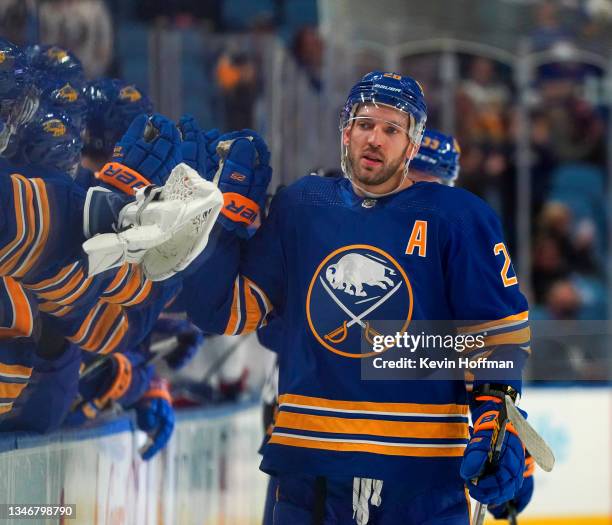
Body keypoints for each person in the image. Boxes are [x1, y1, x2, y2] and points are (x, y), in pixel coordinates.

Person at [176, 71, 531, 524]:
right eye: (365, 124)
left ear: (412, 144)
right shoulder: (302, 206)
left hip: (420, 480)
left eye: (391, 129)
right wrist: (219, 226)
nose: (375, 139)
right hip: (311, 476)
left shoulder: (460, 218)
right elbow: (224, 312)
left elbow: (495, 336)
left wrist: (495, 418)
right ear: (346, 130)